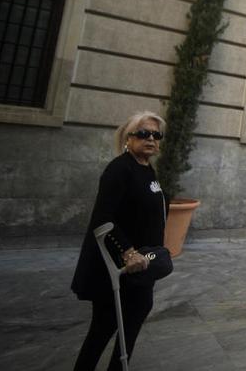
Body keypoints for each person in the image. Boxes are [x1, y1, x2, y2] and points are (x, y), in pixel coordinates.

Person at [71, 111, 168, 370]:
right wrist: (127, 251)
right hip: (116, 268)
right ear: (128, 138)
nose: (151, 139)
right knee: (103, 328)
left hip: (142, 265)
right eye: (143, 133)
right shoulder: (119, 169)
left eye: (156, 135)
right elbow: (103, 218)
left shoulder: (147, 168)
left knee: (135, 318)